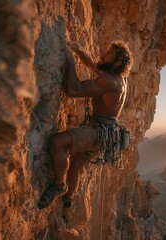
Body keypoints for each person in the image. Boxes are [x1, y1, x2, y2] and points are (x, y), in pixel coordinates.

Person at [37, 40, 133, 209]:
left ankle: (60, 185)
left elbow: (73, 90)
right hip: (107, 133)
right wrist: (79, 50)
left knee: (58, 143)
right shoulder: (119, 78)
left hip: (98, 132)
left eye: (108, 54)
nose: (102, 55)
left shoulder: (110, 81)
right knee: (76, 164)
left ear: (117, 62)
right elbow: (96, 66)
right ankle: (68, 198)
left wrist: (69, 61)